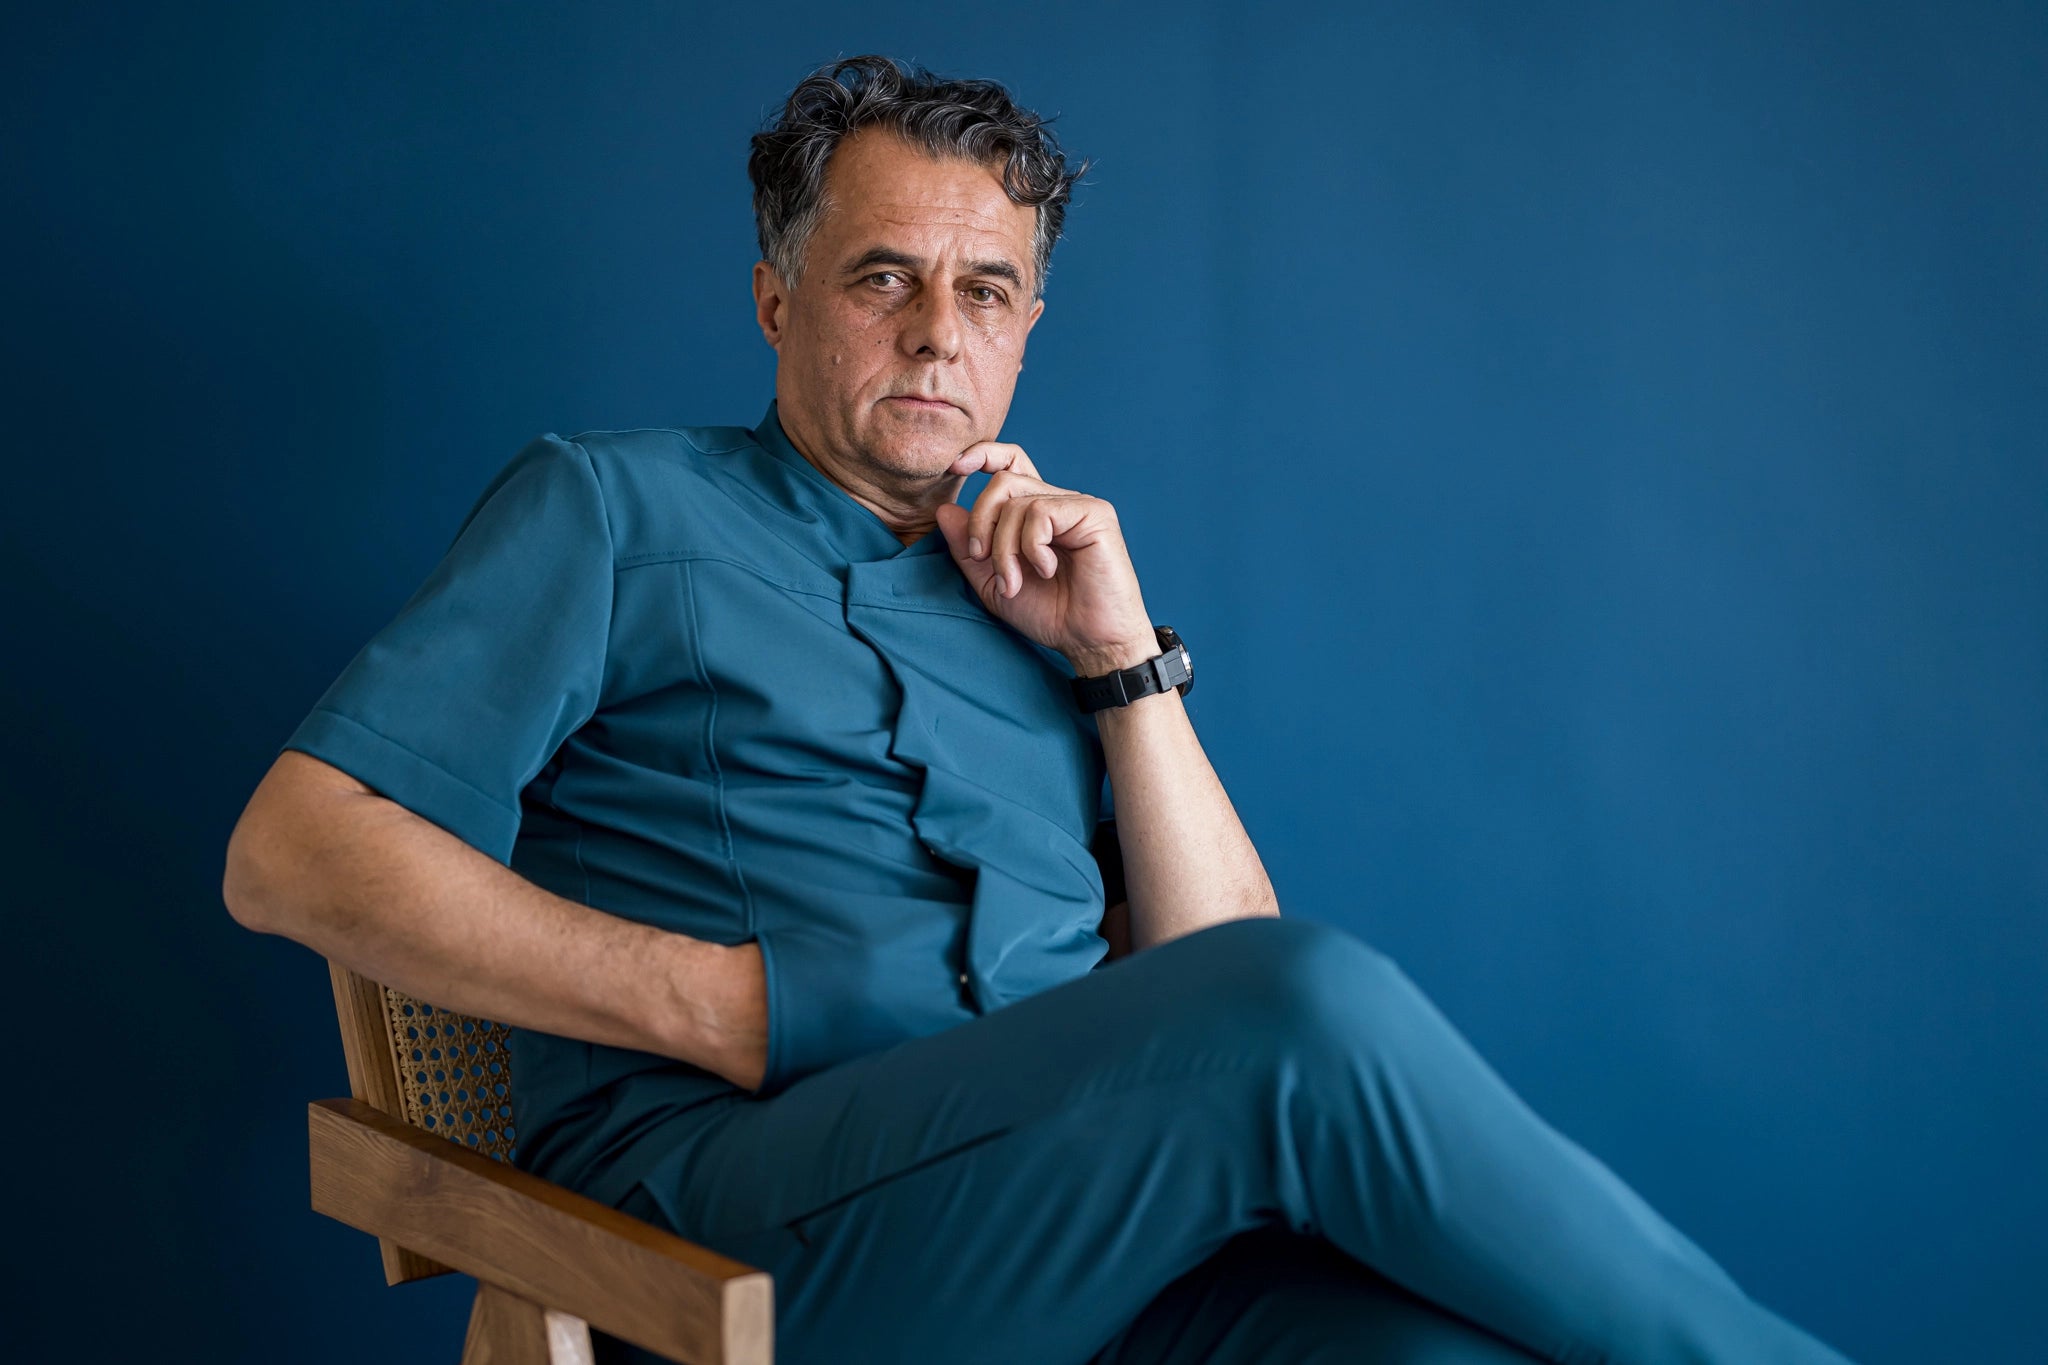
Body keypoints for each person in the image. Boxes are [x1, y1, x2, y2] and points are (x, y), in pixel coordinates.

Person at [223, 54, 1857, 1365]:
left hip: (1060, 1236)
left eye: (988, 291)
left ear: (1028, 328)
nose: (940, 333)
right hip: (741, 1238)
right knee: (1298, 1004)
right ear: (777, 297)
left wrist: (1118, 660)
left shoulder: (1035, 587)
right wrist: (721, 1003)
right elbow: (289, 852)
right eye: (884, 277)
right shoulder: (611, 509)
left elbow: (1216, 969)